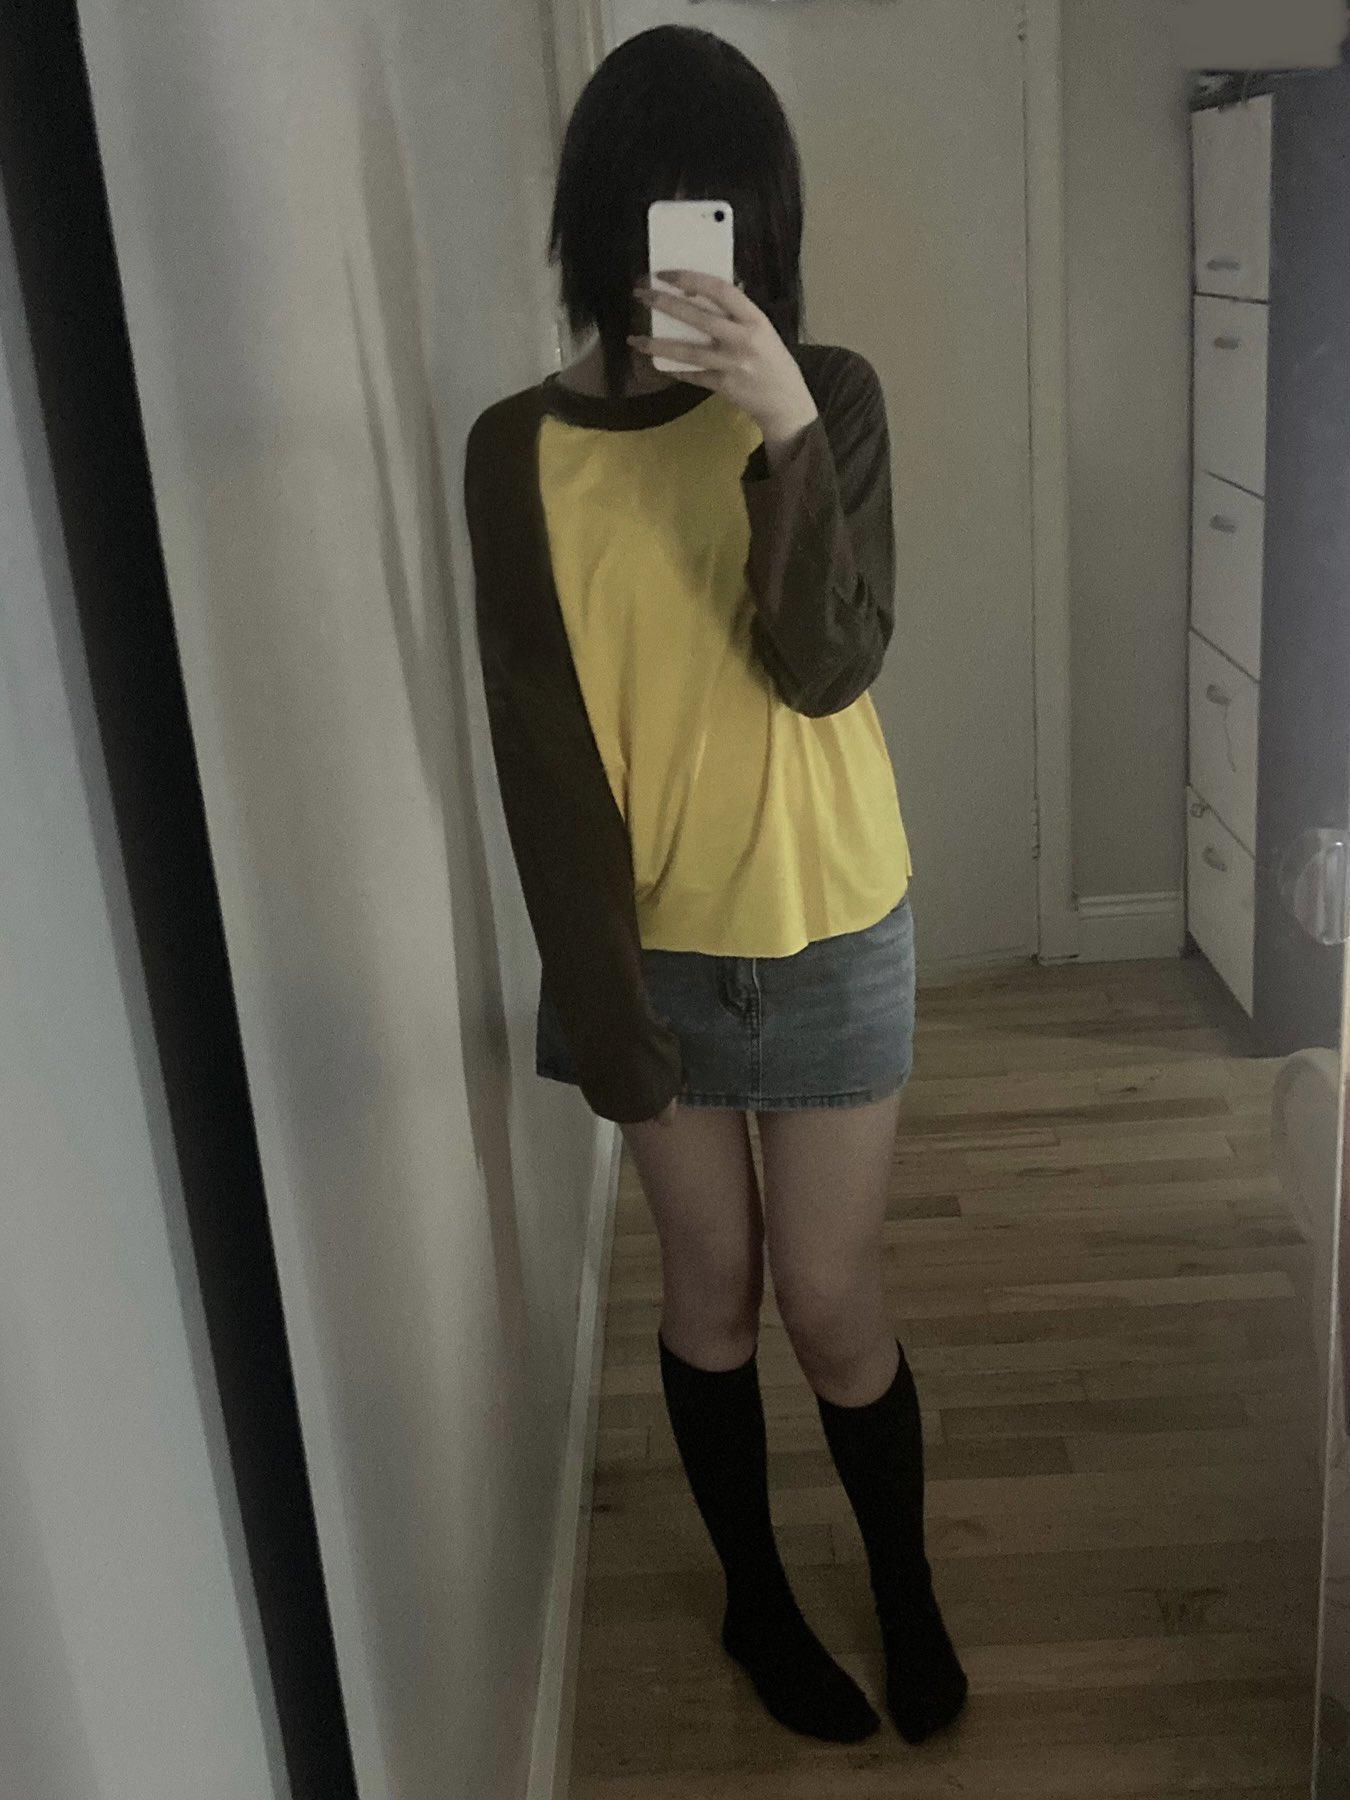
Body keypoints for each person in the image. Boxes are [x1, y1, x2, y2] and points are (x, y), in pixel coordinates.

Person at [463, 22, 967, 1748]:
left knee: (831, 1301)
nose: (698, 258)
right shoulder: (511, 452)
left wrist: (785, 434)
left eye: (734, 222)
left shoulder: (832, 397)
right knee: (709, 1297)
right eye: (671, 218)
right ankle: (757, 1602)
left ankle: (903, 1589)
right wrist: (602, 1012)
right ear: (601, 225)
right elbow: (538, 754)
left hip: (831, 922)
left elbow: (826, 668)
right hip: (654, 951)